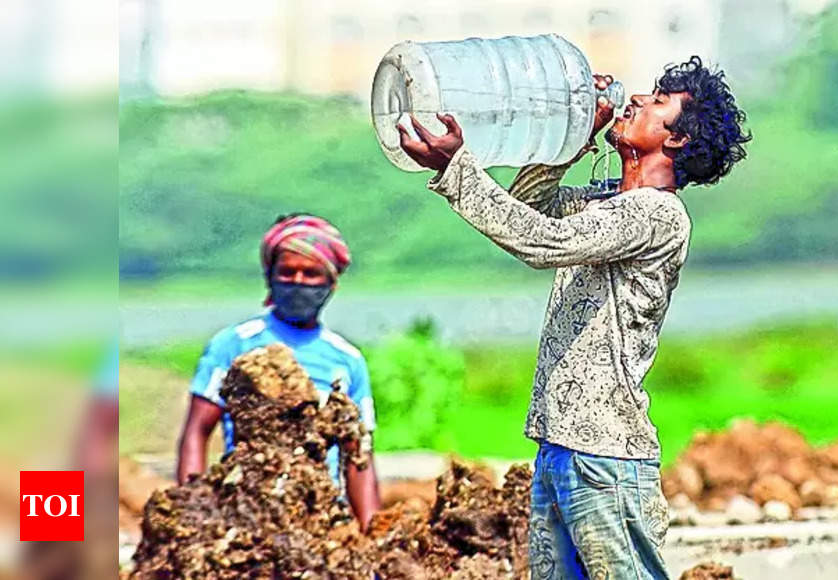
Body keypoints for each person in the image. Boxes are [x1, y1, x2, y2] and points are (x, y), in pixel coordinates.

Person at [397, 56, 750, 578]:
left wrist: (457, 168)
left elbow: (543, 241)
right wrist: (572, 137)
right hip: (561, 445)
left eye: (656, 103)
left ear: (675, 140)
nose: (636, 101)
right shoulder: (606, 203)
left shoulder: (657, 214)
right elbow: (528, 205)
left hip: (605, 455)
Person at [175, 214, 381, 531]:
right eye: (287, 272)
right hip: (246, 509)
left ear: (331, 283)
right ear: (270, 276)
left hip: (320, 513)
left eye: (311, 274)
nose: (297, 281)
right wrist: (193, 510)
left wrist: (373, 532)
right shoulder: (234, 344)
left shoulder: (347, 360)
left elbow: (359, 458)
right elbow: (197, 432)